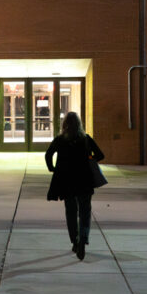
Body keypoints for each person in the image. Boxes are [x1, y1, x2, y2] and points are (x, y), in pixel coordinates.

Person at [45, 111, 105, 260]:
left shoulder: (60, 140)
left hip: (67, 181)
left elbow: (48, 154)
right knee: (85, 211)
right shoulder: (86, 139)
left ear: (65, 125)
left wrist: (52, 168)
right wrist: (89, 158)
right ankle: (83, 238)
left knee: (71, 212)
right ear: (79, 124)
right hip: (84, 180)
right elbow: (100, 155)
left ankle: (75, 241)